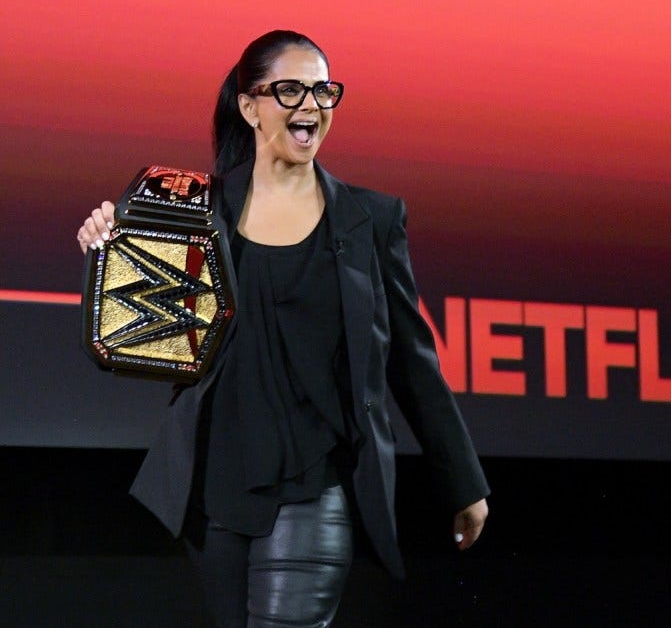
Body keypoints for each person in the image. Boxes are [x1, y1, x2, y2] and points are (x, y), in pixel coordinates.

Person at [77, 30, 489, 627]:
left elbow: (410, 359)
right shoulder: (197, 209)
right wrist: (109, 250)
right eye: (291, 89)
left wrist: (463, 481)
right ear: (250, 106)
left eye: (323, 91)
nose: (311, 106)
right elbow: (138, 337)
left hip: (315, 483)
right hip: (216, 483)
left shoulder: (368, 221)